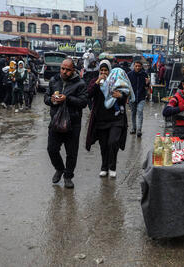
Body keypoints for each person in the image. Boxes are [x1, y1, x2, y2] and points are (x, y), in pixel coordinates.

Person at [44, 59, 87, 189]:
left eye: (68, 69)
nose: (64, 71)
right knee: (52, 149)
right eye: (62, 68)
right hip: (56, 121)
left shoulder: (80, 83)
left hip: (73, 123)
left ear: (73, 70)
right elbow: (46, 98)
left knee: (72, 153)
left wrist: (67, 99)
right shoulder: (53, 80)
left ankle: (68, 176)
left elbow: (83, 102)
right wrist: (51, 100)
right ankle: (59, 168)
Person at [86, 61, 131, 178]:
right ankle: (104, 167)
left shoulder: (117, 82)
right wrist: (97, 83)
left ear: (110, 71)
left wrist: (121, 96)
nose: (103, 73)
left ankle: (112, 167)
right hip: (101, 119)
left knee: (113, 142)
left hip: (116, 119)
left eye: (106, 70)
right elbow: (88, 95)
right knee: (103, 145)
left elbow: (125, 95)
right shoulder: (95, 82)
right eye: (102, 70)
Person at [127, 61, 149, 137]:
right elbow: (127, 86)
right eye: (136, 66)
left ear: (141, 66)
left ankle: (139, 130)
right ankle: (134, 128)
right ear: (134, 66)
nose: (137, 67)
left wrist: (147, 83)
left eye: (139, 66)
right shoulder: (129, 75)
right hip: (132, 98)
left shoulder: (144, 74)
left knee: (140, 112)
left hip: (141, 97)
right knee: (133, 113)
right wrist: (127, 97)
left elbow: (147, 87)